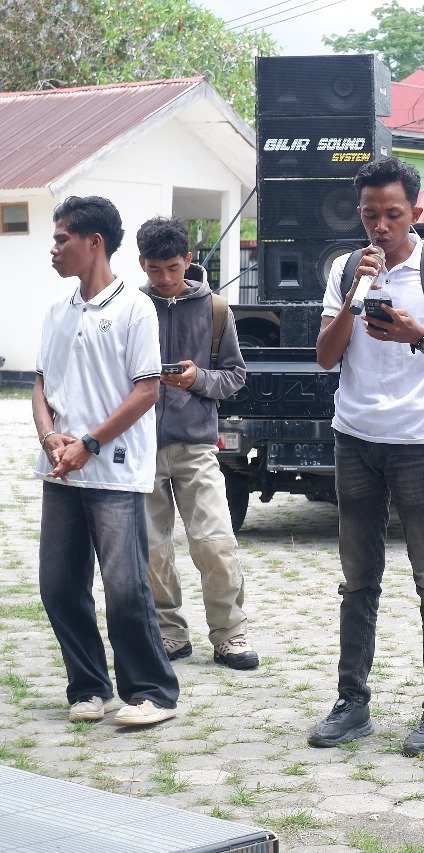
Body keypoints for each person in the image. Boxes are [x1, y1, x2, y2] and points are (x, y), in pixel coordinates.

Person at [309, 157, 424, 756]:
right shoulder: (344, 270)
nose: (380, 227)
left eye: (393, 214)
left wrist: (416, 335)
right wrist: (353, 298)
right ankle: (351, 701)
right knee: (358, 580)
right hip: (354, 437)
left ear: (416, 212)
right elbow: (326, 356)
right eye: (369, 215)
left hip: (417, 442)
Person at [33, 195, 180, 726]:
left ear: (93, 242)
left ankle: (152, 692)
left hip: (113, 471)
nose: (53, 249)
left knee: (124, 589)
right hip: (61, 472)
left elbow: (147, 391)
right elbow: (41, 384)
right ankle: (90, 687)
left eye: (62, 239)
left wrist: (89, 444)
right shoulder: (58, 311)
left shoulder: (135, 308)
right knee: (58, 585)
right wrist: (51, 438)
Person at [137, 216, 258, 671]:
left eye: (172, 268)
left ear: (188, 260)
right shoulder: (131, 306)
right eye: (155, 270)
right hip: (141, 446)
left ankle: (229, 634)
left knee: (214, 541)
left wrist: (197, 379)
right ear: (142, 264)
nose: (165, 279)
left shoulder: (216, 309)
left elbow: (235, 375)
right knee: (151, 548)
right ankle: (168, 633)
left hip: (196, 445)